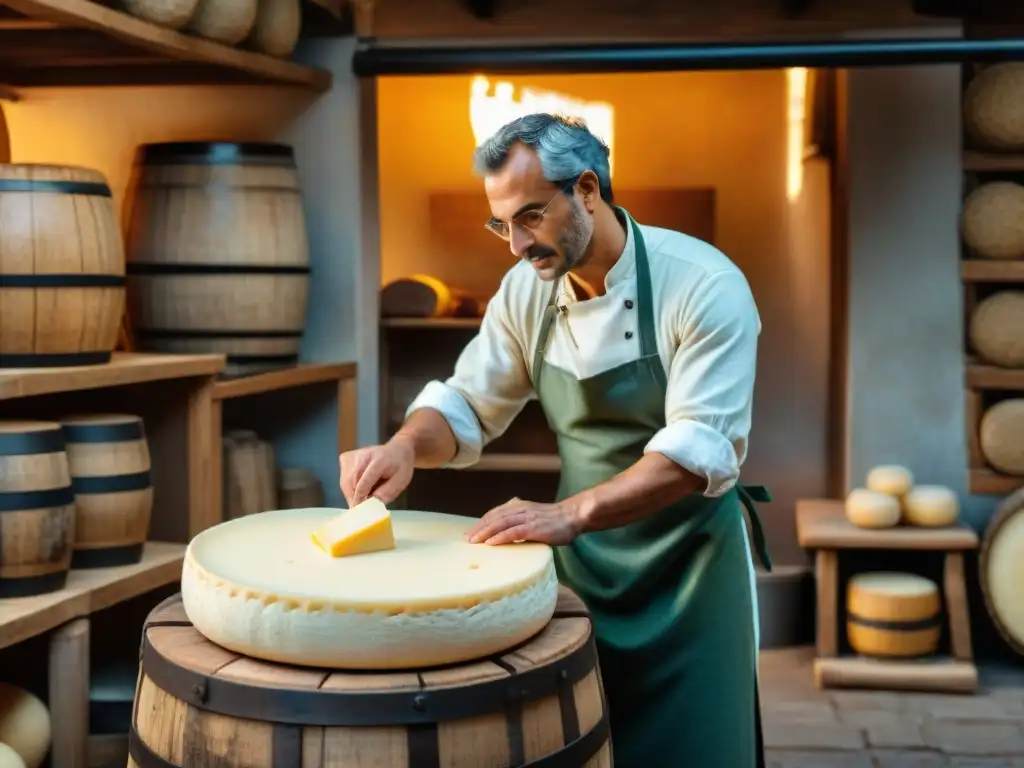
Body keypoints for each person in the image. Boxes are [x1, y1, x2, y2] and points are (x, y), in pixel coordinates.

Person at [339, 112, 772, 768]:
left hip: (691, 573)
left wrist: (567, 514)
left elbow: (695, 456)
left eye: (531, 217)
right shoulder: (525, 291)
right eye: (500, 223)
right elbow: (465, 404)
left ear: (589, 191)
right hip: (582, 571)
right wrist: (403, 447)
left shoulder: (704, 286)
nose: (514, 243)